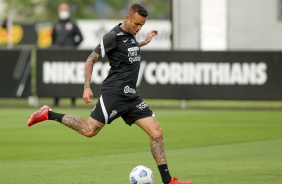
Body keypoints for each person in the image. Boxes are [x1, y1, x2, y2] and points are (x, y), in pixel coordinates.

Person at [28, 4, 192, 184]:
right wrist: (87, 87)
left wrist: (143, 42)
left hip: (131, 96)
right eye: (137, 24)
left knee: (157, 132)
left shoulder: (131, 36)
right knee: (89, 130)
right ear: (127, 18)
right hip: (113, 94)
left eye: (142, 25)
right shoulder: (111, 36)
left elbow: (127, 47)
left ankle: (168, 181)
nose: (139, 28)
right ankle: (48, 114)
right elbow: (91, 59)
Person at [51, 2, 84, 107]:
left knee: (71, 78)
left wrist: (73, 47)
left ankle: (73, 100)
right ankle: (56, 100)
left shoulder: (73, 24)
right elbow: (52, 38)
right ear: (58, 11)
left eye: (65, 9)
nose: (63, 12)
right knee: (57, 77)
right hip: (58, 55)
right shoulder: (56, 24)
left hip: (70, 56)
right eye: (61, 10)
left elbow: (80, 37)